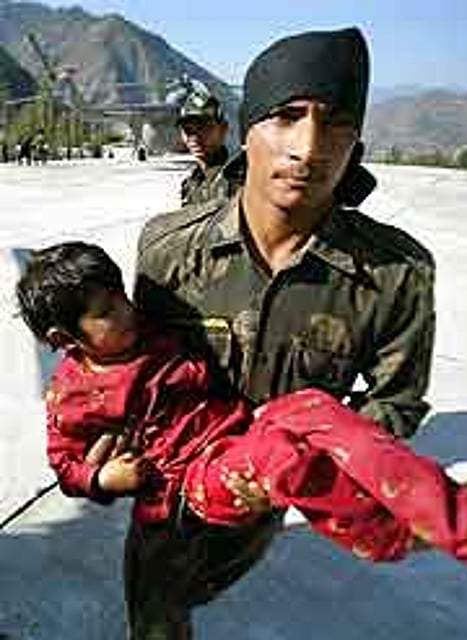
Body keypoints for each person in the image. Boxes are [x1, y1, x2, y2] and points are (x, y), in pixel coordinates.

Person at [134, 27, 437, 638]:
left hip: (266, 503)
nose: (309, 147)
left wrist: (294, 463)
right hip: (167, 491)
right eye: (287, 116)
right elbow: (136, 367)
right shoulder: (168, 251)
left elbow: (396, 401)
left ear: (356, 144)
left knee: (199, 587)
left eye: (337, 123)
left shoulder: (395, 276)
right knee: (154, 610)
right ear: (247, 130)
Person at [15, 241, 467, 570]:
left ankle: (458, 511)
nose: (127, 309)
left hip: (239, 433)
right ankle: (385, 534)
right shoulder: (73, 396)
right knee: (284, 457)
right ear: (63, 338)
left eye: (122, 295)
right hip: (191, 482)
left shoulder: (146, 332)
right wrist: (102, 478)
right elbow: (65, 465)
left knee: (314, 405)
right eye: (106, 311)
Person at [176, 82, 236, 206]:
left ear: (223, 129)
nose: (195, 137)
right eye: (188, 130)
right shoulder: (190, 185)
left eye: (203, 128)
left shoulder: (239, 179)